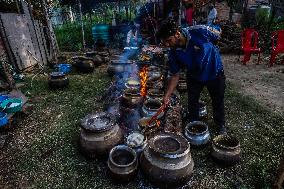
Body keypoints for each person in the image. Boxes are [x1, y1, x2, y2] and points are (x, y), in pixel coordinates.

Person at [156, 19, 226, 134]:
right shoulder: (173, 52)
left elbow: (218, 33)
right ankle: (193, 122)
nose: (167, 45)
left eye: (169, 40)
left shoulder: (200, 31)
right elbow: (175, 75)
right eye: (165, 43)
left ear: (177, 34)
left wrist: (213, 49)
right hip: (194, 76)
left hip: (214, 72)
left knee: (218, 100)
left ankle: (220, 124)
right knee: (192, 101)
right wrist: (167, 96)